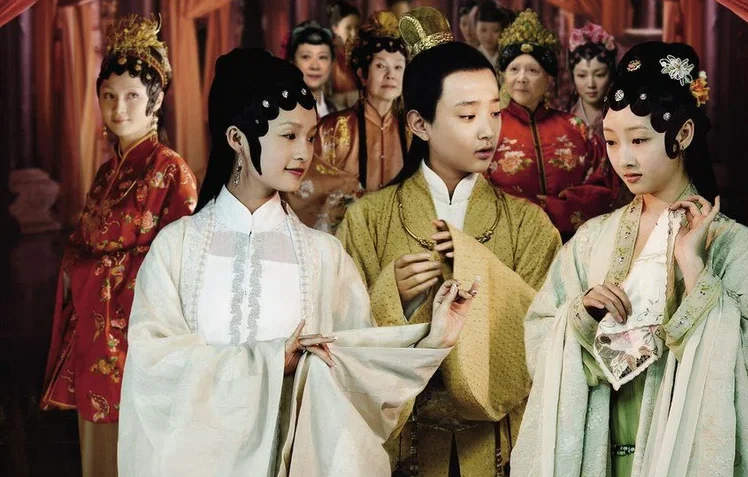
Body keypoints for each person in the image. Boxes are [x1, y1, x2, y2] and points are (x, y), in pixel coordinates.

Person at [117, 47, 478, 477]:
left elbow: (360, 374)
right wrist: (271, 362)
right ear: (237, 139)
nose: (305, 153)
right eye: (289, 136)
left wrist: (433, 339)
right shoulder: (176, 248)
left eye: (310, 137)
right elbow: (152, 369)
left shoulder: (323, 255)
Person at [511, 41, 748, 477]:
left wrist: (695, 270)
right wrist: (579, 318)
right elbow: (539, 336)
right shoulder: (591, 240)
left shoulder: (734, 245)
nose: (623, 157)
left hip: (678, 456)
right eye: (611, 141)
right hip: (596, 455)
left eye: (640, 139)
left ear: (683, 134)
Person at [336, 7, 562, 476]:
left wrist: (476, 266)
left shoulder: (530, 226)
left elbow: (546, 339)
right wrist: (391, 298)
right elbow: (340, 341)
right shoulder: (368, 220)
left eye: (494, 112)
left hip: (498, 447)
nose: (488, 130)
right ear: (420, 124)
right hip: (403, 448)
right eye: (467, 114)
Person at [40, 15, 197, 477]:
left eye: (132, 96)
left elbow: (179, 261)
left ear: (156, 101)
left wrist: (95, 270)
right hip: (96, 333)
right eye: (109, 95)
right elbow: (83, 242)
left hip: (138, 337)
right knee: (97, 454)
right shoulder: (108, 172)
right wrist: (79, 263)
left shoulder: (171, 170)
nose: (118, 107)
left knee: (138, 451)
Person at [488, 9, 614, 241]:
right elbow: (477, 190)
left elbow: (603, 187)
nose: (521, 78)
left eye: (532, 70)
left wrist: (552, 210)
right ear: (503, 75)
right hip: (509, 243)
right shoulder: (489, 128)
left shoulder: (576, 128)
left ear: (549, 79)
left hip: (572, 243)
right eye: (514, 69)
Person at [286, 11, 408, 232]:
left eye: (398, 67)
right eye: (381, 66)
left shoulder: (412, 133)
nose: (391, 75)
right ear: (362, 73)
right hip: (344, 239)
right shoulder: (331, 129)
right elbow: (302, 184)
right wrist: (351, 193)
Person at [568, 21, 617, 143]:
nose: (591, 84)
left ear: (610, 75)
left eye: (599, 75)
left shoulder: (621, 116)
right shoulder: (565, 116)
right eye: (582, 75)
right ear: (573, 76)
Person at [287, 21, 337, 119]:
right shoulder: (282, 111)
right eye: (306, 57)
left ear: (332, 63)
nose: (315, 66)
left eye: (322, 57)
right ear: (292, 61)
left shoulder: (340, 111)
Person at [328, 0, 361, 109]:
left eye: (357, 27)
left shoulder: (362, 51)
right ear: (335, 28)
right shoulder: (329, 55)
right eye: (348, 28)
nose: (354, 33)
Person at [475, 0, 514, 68]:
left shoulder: (508, 57)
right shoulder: (471, 57)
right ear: (476, 29)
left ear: (502, 31)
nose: (488, 36)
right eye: (483, 30)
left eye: (495, 31)